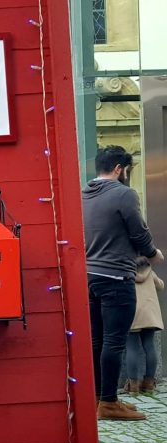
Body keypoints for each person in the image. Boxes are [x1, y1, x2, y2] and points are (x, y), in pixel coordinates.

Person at [82, 144, 164, 420]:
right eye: (127, 170)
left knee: (96, 341)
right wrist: (154, 255)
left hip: (89, 276)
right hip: (116, 276)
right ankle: (108, 403)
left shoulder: (84, 194)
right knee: (114, 342)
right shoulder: (123, 193)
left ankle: (98, 398)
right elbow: (139, 233)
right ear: (120, 169)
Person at [124, 255, 163, 394]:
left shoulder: (125, 272)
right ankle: (149, 384)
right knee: (149, 346)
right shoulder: (150, 272)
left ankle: (133, 386)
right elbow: (161, 286)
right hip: (149, 315)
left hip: (131, 313)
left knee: (132, 348)